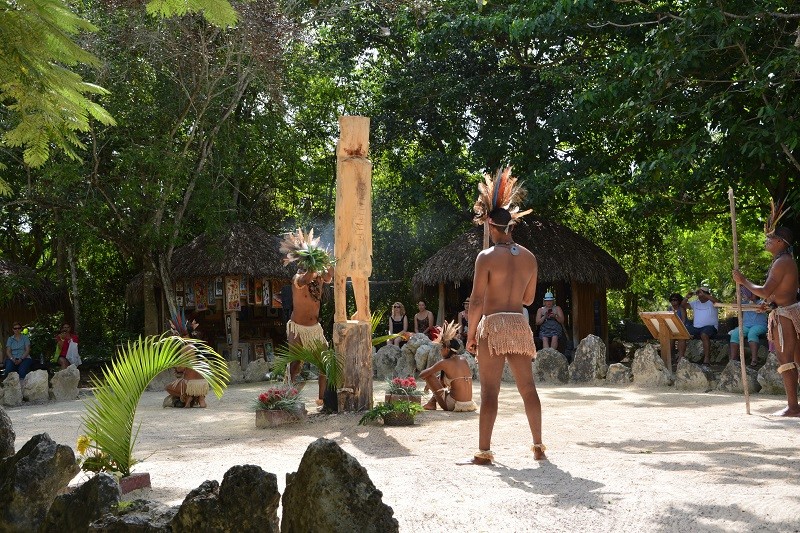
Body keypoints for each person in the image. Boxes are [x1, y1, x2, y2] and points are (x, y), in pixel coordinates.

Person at [462, 167, 544, 465]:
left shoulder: (485, 257)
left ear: (491, 226)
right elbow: (529, 299)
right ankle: (538, 445)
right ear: (511, 225)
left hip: (494, 325)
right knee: (528, 388)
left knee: (490, 393)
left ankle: (484, 451)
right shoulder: (530, 257)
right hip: (519, 324)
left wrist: (471, 336)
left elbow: (477, 301)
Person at [733, 206, 800, 417]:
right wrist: (771, 304)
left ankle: (793, 407)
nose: (766, 242)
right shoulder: (783, 261)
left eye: (770, 239)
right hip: (787, 310)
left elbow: (764, 291)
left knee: (786, 360)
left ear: (780, 242)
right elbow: (778, 293)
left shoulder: (782, 262)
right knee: (795, 359)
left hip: (787, 315)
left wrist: (742, 280)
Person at [420, 321, 477, 412]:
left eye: (441, 348)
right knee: (441, 376)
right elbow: (453, 377)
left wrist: (430, 384)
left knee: (429, 375)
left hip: (454, 405)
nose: (440, 350)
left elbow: (422, 374)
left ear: (447, 348)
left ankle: (431, 403)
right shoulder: (463, 359)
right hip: (469, 404)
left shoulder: (444, 362)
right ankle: (431, 403)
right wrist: (437, 381)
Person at [679, 284, 720, 368]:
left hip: (710, 327)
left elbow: (718, 302)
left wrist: (705, 295)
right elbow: (682, 306)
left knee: (704, 334)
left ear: (706, 294)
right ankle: (681, 358)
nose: (699, 295)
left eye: (701, 293)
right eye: (698, 293)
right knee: (682, 333)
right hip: (696, 328)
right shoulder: (695, 303)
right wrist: (687, 297)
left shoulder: (712, 302)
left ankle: (707, 359)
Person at [728, 286, 768, 368]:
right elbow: (733, 305)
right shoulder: (744, 303)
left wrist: (752, 299)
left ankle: (754, 359)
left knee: (752, 333)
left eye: (753, 292)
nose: (751, 294)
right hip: (746, 326)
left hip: (760, 325)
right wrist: (738, 296)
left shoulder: (761, 302)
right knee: (735, 334)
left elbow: (766, 305)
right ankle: (733, 360)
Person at [667, 292, 688, 363]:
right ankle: (669, 357)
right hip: (672, 328)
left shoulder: (681, 309)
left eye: (675, 300)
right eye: (672, 300)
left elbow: (684, 320)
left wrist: (680, 328)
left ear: (679, 301)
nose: (673, 301)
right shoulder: (669, 308)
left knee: (681, 337)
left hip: (682, 328)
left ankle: (681, 358)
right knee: (669, 338)